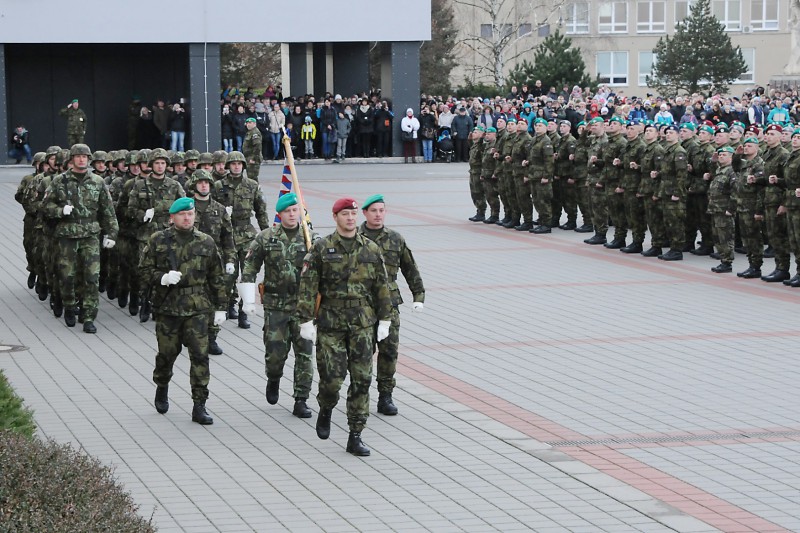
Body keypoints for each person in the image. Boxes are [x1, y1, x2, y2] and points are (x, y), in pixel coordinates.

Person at [297, 197, 392, 456]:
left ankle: (355, 433)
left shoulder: (371, 248)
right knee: (332, 378)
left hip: (362, 323)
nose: (350, 218)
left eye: (353, 214)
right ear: (335, 217)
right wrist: (305, 320)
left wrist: (385, 319)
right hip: (331, 322)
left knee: (362, 379)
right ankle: (326, 406)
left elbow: (382, 286)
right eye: (345, 214)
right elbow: (308, 286)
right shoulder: (322, 248)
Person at [140, 197, 227, 425]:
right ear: (172, 218)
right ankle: (162, 385)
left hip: (197, 308)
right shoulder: (159, 240)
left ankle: (199, 405)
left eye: (190, 214)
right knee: (167, 355)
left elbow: (216, 276)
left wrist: (221, 307)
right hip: (168, 308)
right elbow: (143, 270)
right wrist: (162, 277)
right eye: (182, 214)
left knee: (200, 356)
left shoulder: (206, 242)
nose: (187, 218)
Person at [240, 193, 316, 418]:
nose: (292, 215)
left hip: (303, 307)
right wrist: (247, 298)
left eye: (295, 210)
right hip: (276, 306)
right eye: (287, 211)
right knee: (275, 354)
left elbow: (325, 271)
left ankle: (301, 399)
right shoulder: (266, 238)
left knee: (305, 354)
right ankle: (273, 378)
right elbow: (250, 266)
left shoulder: (311, 238)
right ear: (280, 214)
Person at [359, 195, 425, 416]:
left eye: (381, 210)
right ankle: (360, 394)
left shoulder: (395, 239)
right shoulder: (354, 238)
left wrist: (418, 295)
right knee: (362, 352)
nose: (378, 215)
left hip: (389, 304)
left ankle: (385, 396)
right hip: (362, 305)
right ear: (365, 213)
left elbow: (410, 268)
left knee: (389, 351)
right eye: (374, 211)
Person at [41, 144, 118, 333]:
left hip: (90, 235)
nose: (82, 159)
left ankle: (89, 315)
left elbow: (108, 211)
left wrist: (112, 233)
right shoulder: (60, 181)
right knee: (67, 276)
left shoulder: (98, 182)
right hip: (67, 236)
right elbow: (44, 207)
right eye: (78, 156)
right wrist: (60, 211)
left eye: (85, 157)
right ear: (72, 159)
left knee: (92, 276)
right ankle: (69, 305)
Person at [211, 151, 269, 328]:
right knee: (228, 275)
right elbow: (211, 209)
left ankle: (244, 311)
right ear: (228, 166)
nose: (236, 166)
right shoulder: (219, 186)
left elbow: (260, 211)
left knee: (248, 275)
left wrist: (267, 233)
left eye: (239, 164)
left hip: (246, 235)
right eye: (233, 164)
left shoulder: (252, 185)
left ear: (243, 166)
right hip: (227, 235)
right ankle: (228, 305)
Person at [189, 169, 235, 355]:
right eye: (200, 183)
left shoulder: (219, 209)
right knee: (193, 299)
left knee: (216, 298)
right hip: (190, 261)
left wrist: (230, 260)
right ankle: (194, 336)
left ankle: (212, 337)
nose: (204, 185)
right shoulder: (186, 208)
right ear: (194, 185)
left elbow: (228, 238)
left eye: (207, 183)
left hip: (214, 262)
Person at [708, 147, 738, 273]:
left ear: (731, 157)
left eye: (724, 155)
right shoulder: (719, 170)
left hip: (724, 210)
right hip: (715, 209)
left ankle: (727, 262)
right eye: (720, 155)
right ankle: (723, 259)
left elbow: (735, 192)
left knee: (726, 237)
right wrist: (713, 161)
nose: (721, 156)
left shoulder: (732, 171)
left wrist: (731, 209)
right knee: (717, 237)